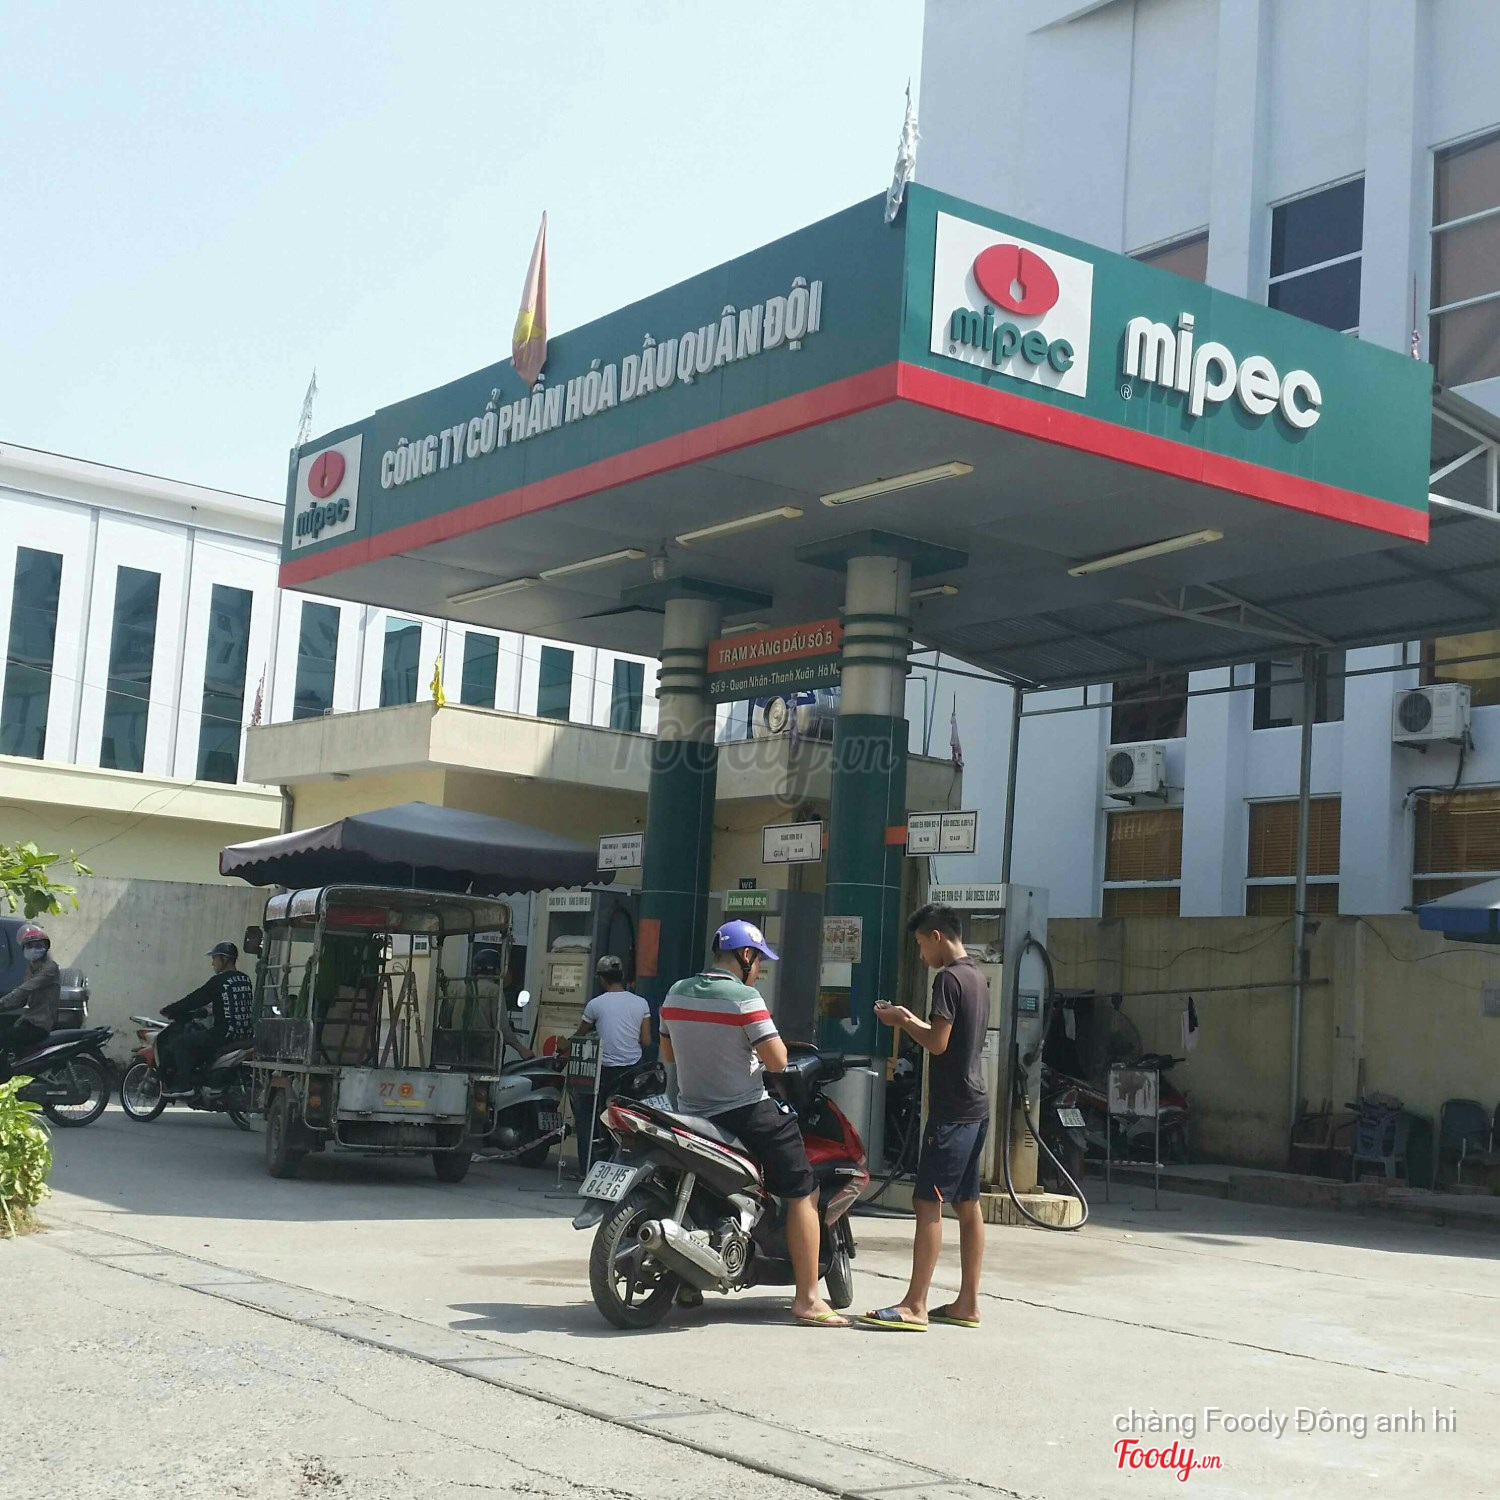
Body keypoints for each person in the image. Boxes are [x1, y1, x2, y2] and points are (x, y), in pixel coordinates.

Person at [659, 920, 847, 1328]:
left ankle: (687, 1284)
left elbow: (668, 1053)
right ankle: (808, 1298)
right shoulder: (746, 999)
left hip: (691, 1114)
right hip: (745, 1113)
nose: (759, 969)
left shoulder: (675, 992)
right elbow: (778, 1061)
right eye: (759, 960)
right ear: (745, 956)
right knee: (803, 1190)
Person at [864, 903, 992, 1332]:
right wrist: (908, 1017)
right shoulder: (977, 978)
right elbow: (950, 1037)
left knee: (927, 1201)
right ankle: (967, 1303)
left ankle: (915, 1304)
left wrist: (902, 1021)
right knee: (967, 1203)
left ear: (937, 937)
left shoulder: (948, 979)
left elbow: (938, 1043)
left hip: (952, 1110)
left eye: (921, 945)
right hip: (976, 1104)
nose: (921, 955)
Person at [570, 955, 650, 1163]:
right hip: (633, 1072)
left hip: (604, 1072)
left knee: (585, 1114)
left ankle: (587, 1167)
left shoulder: (595, 1005)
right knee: (632, 1118)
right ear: (621, 976)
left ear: (602, 979)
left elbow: (580, 1035)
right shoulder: (641, 1003)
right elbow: (646, 1040)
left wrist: (564, 1045)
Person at [158, 941, 255, 1087]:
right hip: (245, 1034)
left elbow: (195, 999)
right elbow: (230, 1004)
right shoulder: (246, 979)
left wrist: (171, 1009)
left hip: (223, 1034)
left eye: (214, 958)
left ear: (224, 959)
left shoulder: (219, 981)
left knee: (179, 1043)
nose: (213, 963)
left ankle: (184, 1086)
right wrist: (207, 1011)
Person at [0, 924, 61, 1063]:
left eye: (38, 945)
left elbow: (25, 989)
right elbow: (20, 1001)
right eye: (29, 946)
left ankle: (5, 1074)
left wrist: (1, 1002)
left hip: (40, 1025)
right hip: (27, 1021)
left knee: (3, 1038)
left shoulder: (50, 968)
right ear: (24, 949)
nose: (34, 949)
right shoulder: (30, 969)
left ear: (46, 948)